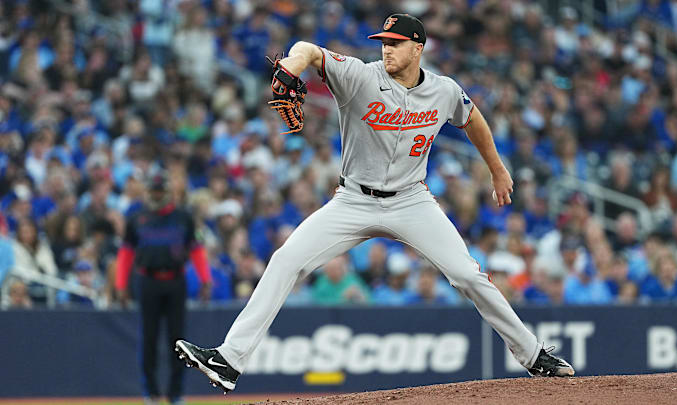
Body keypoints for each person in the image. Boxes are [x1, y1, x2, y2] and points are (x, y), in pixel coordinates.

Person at [175, 14, 574, 394]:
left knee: (468, 275)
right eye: (383, 42)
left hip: (412, 201)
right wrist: (293, 64)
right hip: (353, 199)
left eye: (395, 43)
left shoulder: (444, 90)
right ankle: (229, 359)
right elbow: (309, 49)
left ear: (418, 47)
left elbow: (472, 119)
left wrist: (497, 169)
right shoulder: (359, 75)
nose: (386, 50)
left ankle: (533, 354)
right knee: (285, 260)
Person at [115, 172, 211, 405]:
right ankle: (152, 393)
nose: (157, 195)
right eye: (153, 191)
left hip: (175, 281)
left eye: (160, 191)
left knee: (178, 342)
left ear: (168, 193)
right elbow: (126, 253)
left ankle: (175, 394)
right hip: (147, 281)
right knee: (148, 339)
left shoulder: (183, 218)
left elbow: (195, 249)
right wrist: (120, 285)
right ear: (147, 193)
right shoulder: (137, 218)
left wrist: (205, 279)